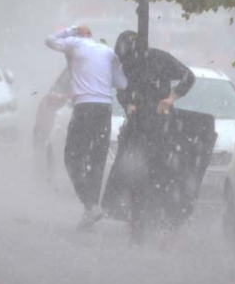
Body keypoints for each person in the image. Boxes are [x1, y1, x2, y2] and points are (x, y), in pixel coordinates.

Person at [112, 30, 196, 241]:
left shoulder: (160, 58)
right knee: (132, 173)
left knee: (161, 173)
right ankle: (136, 219)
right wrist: (127, 103)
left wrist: (171, 98)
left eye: (128, 57)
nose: (127, 62)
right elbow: (121, 89)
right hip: (137, 126)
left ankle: (160, 219)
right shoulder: (128, 64)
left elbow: (189, 76)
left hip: (161, 126)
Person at [45, 25, 127, 230]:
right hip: (104, 109)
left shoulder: (76, 43)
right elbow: (122, 84)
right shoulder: (108, 52)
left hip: (85, 107)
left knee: (72, 156)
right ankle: (91, 208)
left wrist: (71, 30)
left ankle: (90, 205)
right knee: (97, 159)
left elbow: (50, 40)